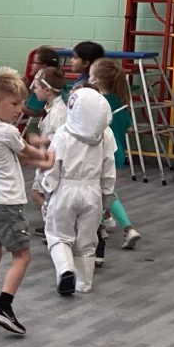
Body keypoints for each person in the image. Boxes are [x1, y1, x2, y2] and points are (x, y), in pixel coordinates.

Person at [0, 68, 47, 337]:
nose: (20, 110)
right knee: (23, 256)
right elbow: (30, 153)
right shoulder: (6, 131)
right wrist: (48, 154)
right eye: (14, 104)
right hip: (5, 204)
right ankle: (4, 307)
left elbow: (20, 157)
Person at [37, 87, 115, 296]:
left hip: (65, 189)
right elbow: (109, 169)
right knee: (87, 241)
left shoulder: (63, 134)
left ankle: (65, 270)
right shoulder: (104, 137)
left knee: (58, 235)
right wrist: (106, 196)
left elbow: (53, 167)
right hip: (93, 192)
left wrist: (47, 191)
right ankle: (84, 283)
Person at [87, 57, 142, 257]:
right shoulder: (119, 102)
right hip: (117, 152)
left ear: (97, 80)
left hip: (102, 153)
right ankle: (102, 224)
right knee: (102, 190)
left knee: (105, 192)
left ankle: (128, 228)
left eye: (91, 75)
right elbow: (127, 127)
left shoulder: (98, 103)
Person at [27, 66, 69, 214]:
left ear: (47, 91)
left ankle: (54, 217)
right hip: (46, 157)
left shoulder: (59, 112)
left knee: (38, 194)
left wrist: (39, 140)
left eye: (37, 87)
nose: (34, 90)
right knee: (40, 194)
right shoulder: (50, 107)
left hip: (53, 160)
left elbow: (59, 137)